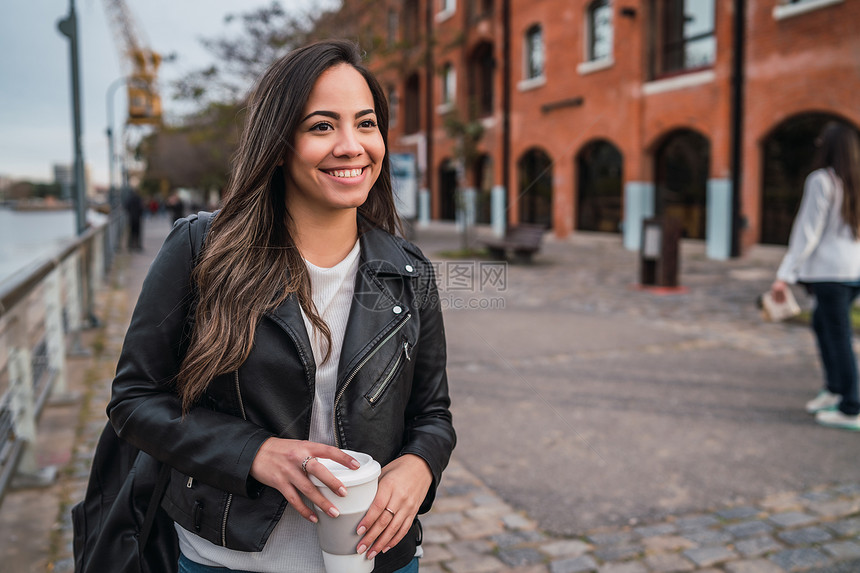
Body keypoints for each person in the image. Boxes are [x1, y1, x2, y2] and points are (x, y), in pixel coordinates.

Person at [107, 40, 456, 572]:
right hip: (225, 560)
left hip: (378, 560)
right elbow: (133, 400)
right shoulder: (201, 249)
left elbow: (432, 415)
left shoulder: (409, 270)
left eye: (366, 124)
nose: (351, 145)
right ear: (278, 143)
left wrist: (419, 464)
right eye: (322, 126)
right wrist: (252, 452)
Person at [771, 122, 860, 431]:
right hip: (852, 272)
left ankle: (851, 407)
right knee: (824, 326)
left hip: (830, 273)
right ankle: (834, 389)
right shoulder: (854, 182)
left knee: (837, 336)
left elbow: (807, 232)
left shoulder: (822, 181)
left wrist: (785, 274)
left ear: (829, 147)